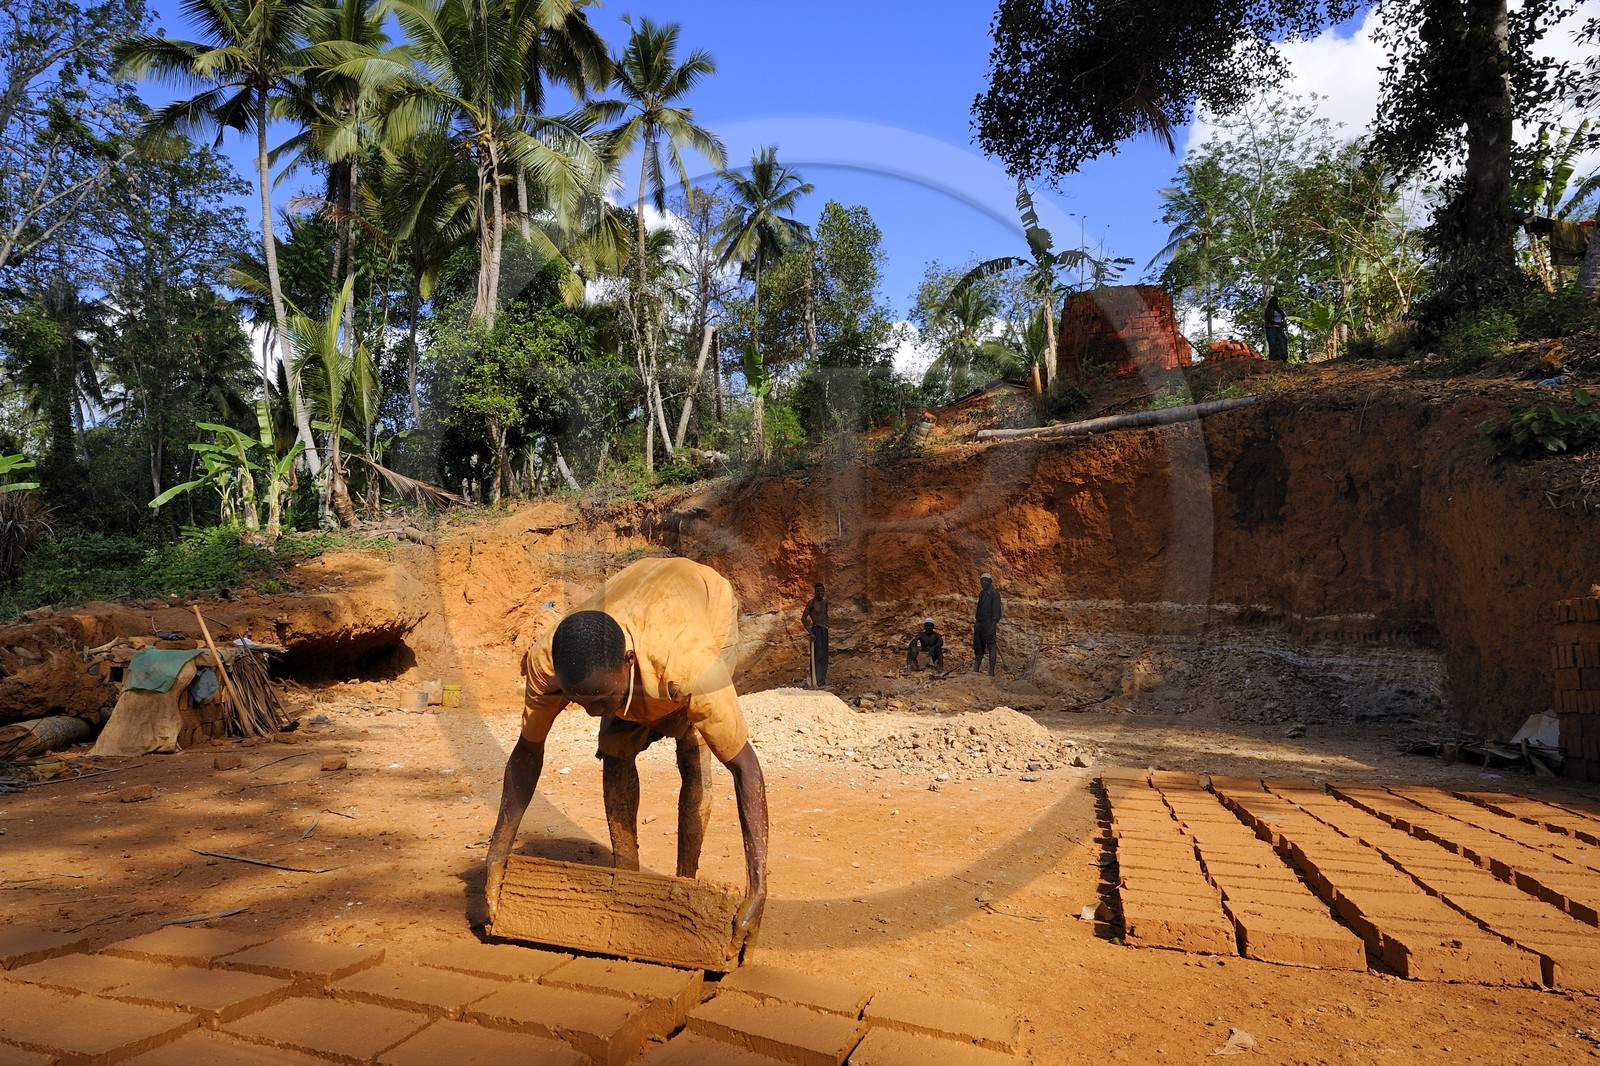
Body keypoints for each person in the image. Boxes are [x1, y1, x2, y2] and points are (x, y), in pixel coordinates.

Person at [485, 557, 768, 953]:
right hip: (636, 599)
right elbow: (527, 751)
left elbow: (745, 768)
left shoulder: (690, 664)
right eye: (579, 702)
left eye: (601, 700)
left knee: (694, 755)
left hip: (703, 607)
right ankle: (627, 878)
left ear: (628, 662)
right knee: (615, 750)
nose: (591, 712)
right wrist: (497, 853)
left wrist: (758, 890)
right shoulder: (550, 662)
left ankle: (684, 884)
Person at [801, 582, 829, 689]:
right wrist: (811, 633)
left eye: (822, 591)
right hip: (816, 630)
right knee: (817, 656)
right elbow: (803, 619)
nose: (820, 593)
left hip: (824, 631)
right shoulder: (811, 603)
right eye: (818, 591)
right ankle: (814, 680)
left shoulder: (825, 602)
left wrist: (827, 627)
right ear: (815, 592)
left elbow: (826, 615)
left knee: (824, 656)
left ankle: (822, 681)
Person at [974, 572, 1002, 676]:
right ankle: (976, 669)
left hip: (989, 624)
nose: (983, 583)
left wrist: (992, 627)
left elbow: (996, 612)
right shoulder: (982, 594)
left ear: (990, 582)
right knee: (978, 647)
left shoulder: (994, 594)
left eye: (986, 581)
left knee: (991, 647)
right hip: (979, 624)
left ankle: (991, 672)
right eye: (982, 581)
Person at [1264, 295, 1289, 363]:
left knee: (1282, 341)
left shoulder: (1279, 310)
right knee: (1273, 342)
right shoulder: (1268, 310)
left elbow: (1282, 318)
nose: (1275, 302)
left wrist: (1282, 324)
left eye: (1276, 301)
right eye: (1273, 301)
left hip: (1279, 329)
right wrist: (1279, 324)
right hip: (1271, 328)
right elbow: (1268, 320)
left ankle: (1283, 357)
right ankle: (1274, 358)